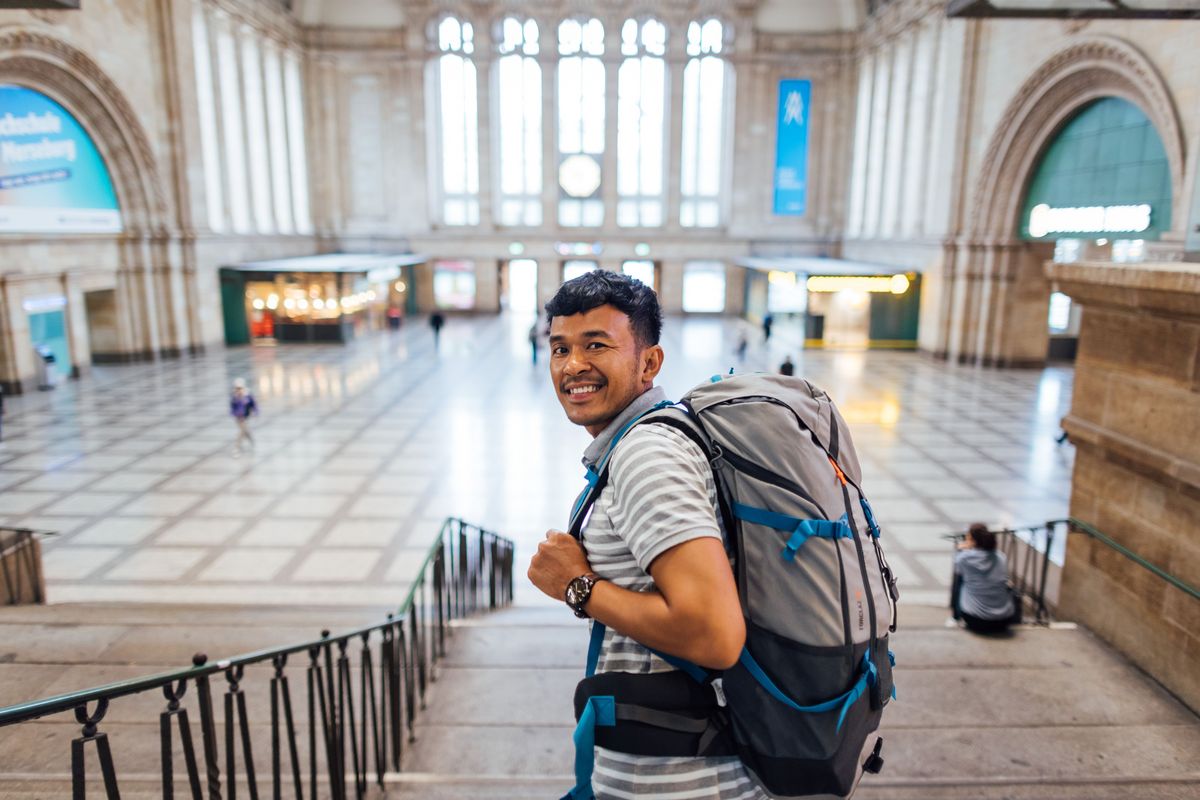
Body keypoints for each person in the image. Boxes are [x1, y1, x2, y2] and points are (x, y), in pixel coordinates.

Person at [528, 271, 762, 799]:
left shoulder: (648, 456)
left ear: (649, 363)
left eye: (596, 345)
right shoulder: (644, 439)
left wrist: (577, 587)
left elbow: (713, 634)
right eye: (560, 348)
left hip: (683, 782)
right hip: (666, 766)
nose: (572, 366)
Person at [951, 523, 1017, 634]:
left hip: (976, 620)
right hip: (1004, 620)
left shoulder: (964, 558)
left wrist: (960, 549)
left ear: (971, 540)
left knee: (961, 580)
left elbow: (958, 569)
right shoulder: (1001, 557)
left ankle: (955, 618)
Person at [229, 378, 258, 456]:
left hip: (245, 417)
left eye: (240, 388)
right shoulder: (234, 397)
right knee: (242, 432)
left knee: (244, 431)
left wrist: (255, 412)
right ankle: (237, 448)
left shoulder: (247, 395)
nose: (238, 390)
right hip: (238, 418)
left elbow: (253, 404)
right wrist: (235, 414)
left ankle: (249, 441)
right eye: (237, 388)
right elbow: (232, 408)